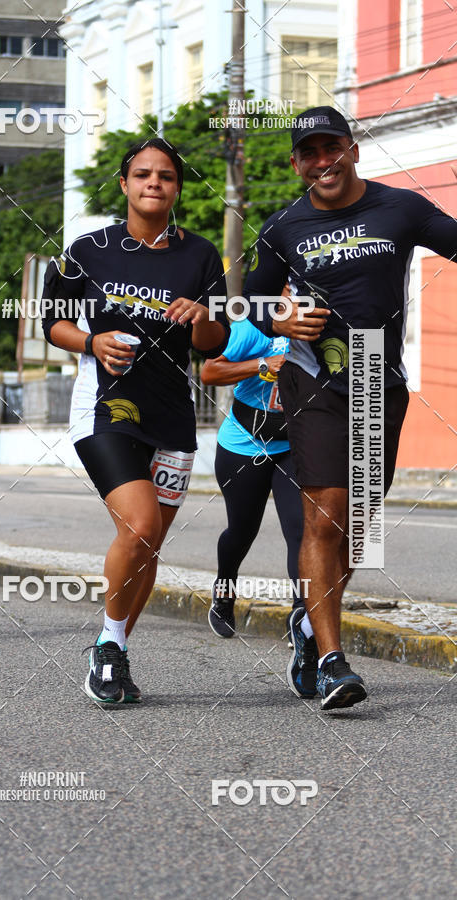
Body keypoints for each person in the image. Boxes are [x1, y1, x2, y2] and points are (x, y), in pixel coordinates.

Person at [245, 106, 457, 710]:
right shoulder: (283, 226)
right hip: (314, 375)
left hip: (375, 374)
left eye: (331, 147)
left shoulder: (401, 208)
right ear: (296, 165)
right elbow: (251, 302)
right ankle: (334, 661)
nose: (323, 161)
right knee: (324, 514)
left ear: (353, 149)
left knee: (357, 529)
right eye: (309, 153)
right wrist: (281, 318)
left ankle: (309, 623)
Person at [42, 138, 229, 704]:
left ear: (177, 188)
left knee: (147, 544)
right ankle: (106, 645)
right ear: (124, 184)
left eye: (166, 176)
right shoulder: (88, 249)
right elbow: (51, 323)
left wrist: (201, 316)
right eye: (143, 174)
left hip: (172, 416)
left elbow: (214, 344)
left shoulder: (200, 255)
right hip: (105, 408)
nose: (154, 183)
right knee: (142, 524)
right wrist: (92, 341)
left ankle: (114, 648)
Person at [201, 315, 314, 691]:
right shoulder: (253, 328)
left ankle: (302, 620)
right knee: (242, 530)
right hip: (243, 445)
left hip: (292, 446)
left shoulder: (318, 330)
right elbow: (210, 371)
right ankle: (224, 591)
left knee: (301, 531)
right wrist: (263, 364)